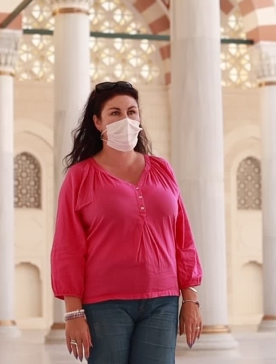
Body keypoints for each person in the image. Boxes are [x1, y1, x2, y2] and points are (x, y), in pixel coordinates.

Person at [51, 80, 203, 364]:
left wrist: (190, 298)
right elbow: (67, 247)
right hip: (104, 303)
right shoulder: (80, 176)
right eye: (115, 113)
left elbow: (182, 237)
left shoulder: (162, 169)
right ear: (97, 122)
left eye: (132, 112)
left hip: (163, 301)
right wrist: (73, 313)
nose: (126, 119)